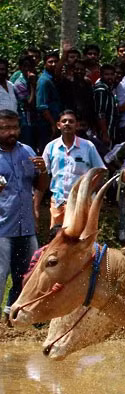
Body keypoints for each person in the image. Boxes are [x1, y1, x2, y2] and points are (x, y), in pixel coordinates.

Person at [0, 110, 49, 324]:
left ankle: (16, 316)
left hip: (26, 225)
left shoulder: (27, 151)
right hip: (2, 227)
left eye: (14, 127)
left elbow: (40, 186)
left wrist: (44, 172)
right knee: (0, 276)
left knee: (28, 275)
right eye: (5, 128)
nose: (11, 132)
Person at [41, 109, 105, 227]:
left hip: (82, 203)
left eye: (71, 121)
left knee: (81, 241)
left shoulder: (88, 146)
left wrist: (89, 192)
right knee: (59, 240)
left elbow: (101, 171)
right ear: (58, 125)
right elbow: (43, 174)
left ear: (76, 125)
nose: (67, 123)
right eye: (64, 121)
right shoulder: (50, 147)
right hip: (59, 202)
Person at [10, 55, 38, 150]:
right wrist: (33, 86)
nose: (27, 69)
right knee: (28, 146)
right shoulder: (19, 83)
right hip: (25, 119)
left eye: (30, 66)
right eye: (24, 66)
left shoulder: (35, 77)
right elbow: (29, 104)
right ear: (20, 68)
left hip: (34, 119)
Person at [36, 50, 63, 146]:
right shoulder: (44, 81)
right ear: (45, 64)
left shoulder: (54, 79)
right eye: (50, 62)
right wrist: (53, 124)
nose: (53, 64)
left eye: (56, 61)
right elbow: (42, 106)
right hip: (47, 124)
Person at [92, 63, 118, 147]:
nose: (109, 77)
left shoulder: (109, 88)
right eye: (106, 74)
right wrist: (105, 134)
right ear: (101, 75)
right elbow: (100, 113)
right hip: (103, 134)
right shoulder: (101, 89)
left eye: (111, 74)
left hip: (110, 132)